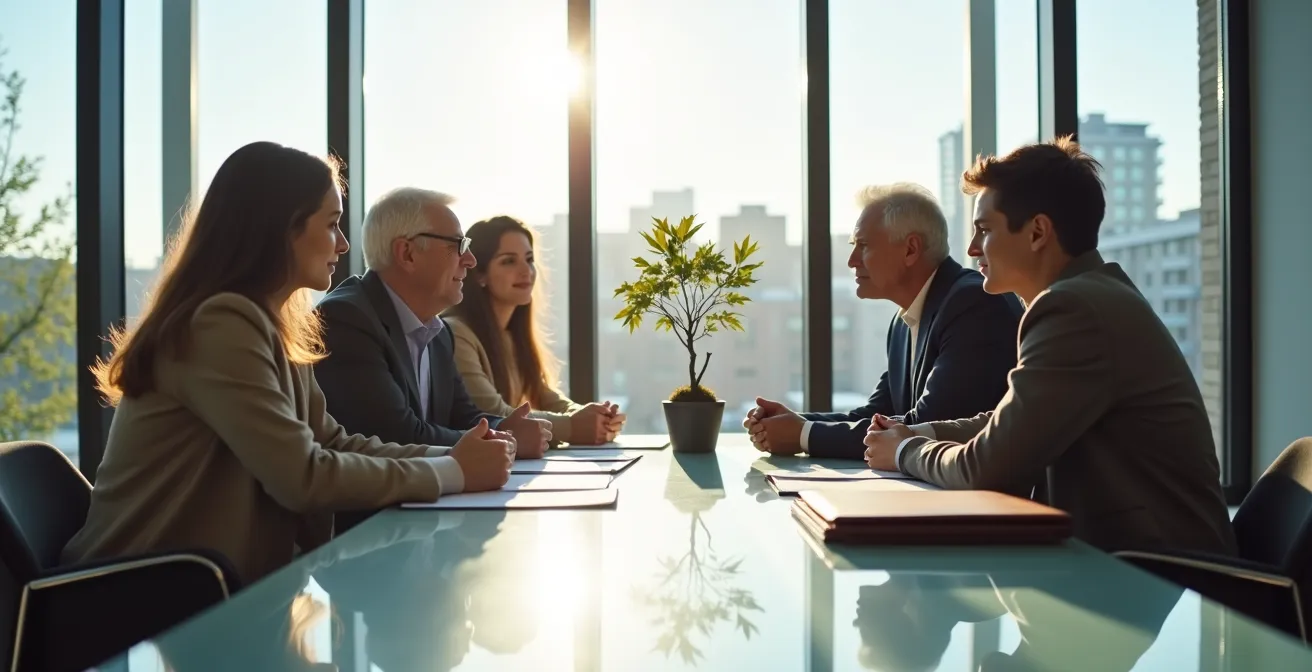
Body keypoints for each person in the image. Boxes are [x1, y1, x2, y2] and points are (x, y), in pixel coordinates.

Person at [63, 142, 513, 585]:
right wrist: (453, 471)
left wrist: (456, 456)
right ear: (281, 229)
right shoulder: (220, 324)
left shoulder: (271, 324)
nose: (342, 245)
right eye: (332, 224)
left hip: (200, 596)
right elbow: (302, 475)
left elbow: (333, 442)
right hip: (131, 603)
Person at [863, 138, 1237, 555]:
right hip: (1130, 566)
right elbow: (1009, 423)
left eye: (984, 230)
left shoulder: (1073, 309)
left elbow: (985, 467)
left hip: (1164, 578)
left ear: (1038, 232)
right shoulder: (1089, 296)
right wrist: (916, 431)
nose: (971, 249)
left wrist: (904, 451)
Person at [744, 183, 1021, 459]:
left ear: (911, 249)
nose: (852, 261)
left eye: (863, 246)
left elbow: (926, 426)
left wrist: (803, 434)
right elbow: (876, 416)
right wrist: (792, 422)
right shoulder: (902, 322)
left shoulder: (973, 303)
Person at [314, 189, 553, 458]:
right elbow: (396, 435)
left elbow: (463, 416)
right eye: (458, 245)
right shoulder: (346, 319)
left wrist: (504, 427)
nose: (470, 260)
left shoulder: (439, 332)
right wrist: (508, 439)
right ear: (408, 254)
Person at [443, 215, 625, 445]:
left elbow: (547, 397)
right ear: (480, 274)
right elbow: (494, 415)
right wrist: (573, 426)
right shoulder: (456, 333)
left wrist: (595, 417)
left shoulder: (512, 337)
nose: (525, 271)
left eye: (529, 259)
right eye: (509, 261)